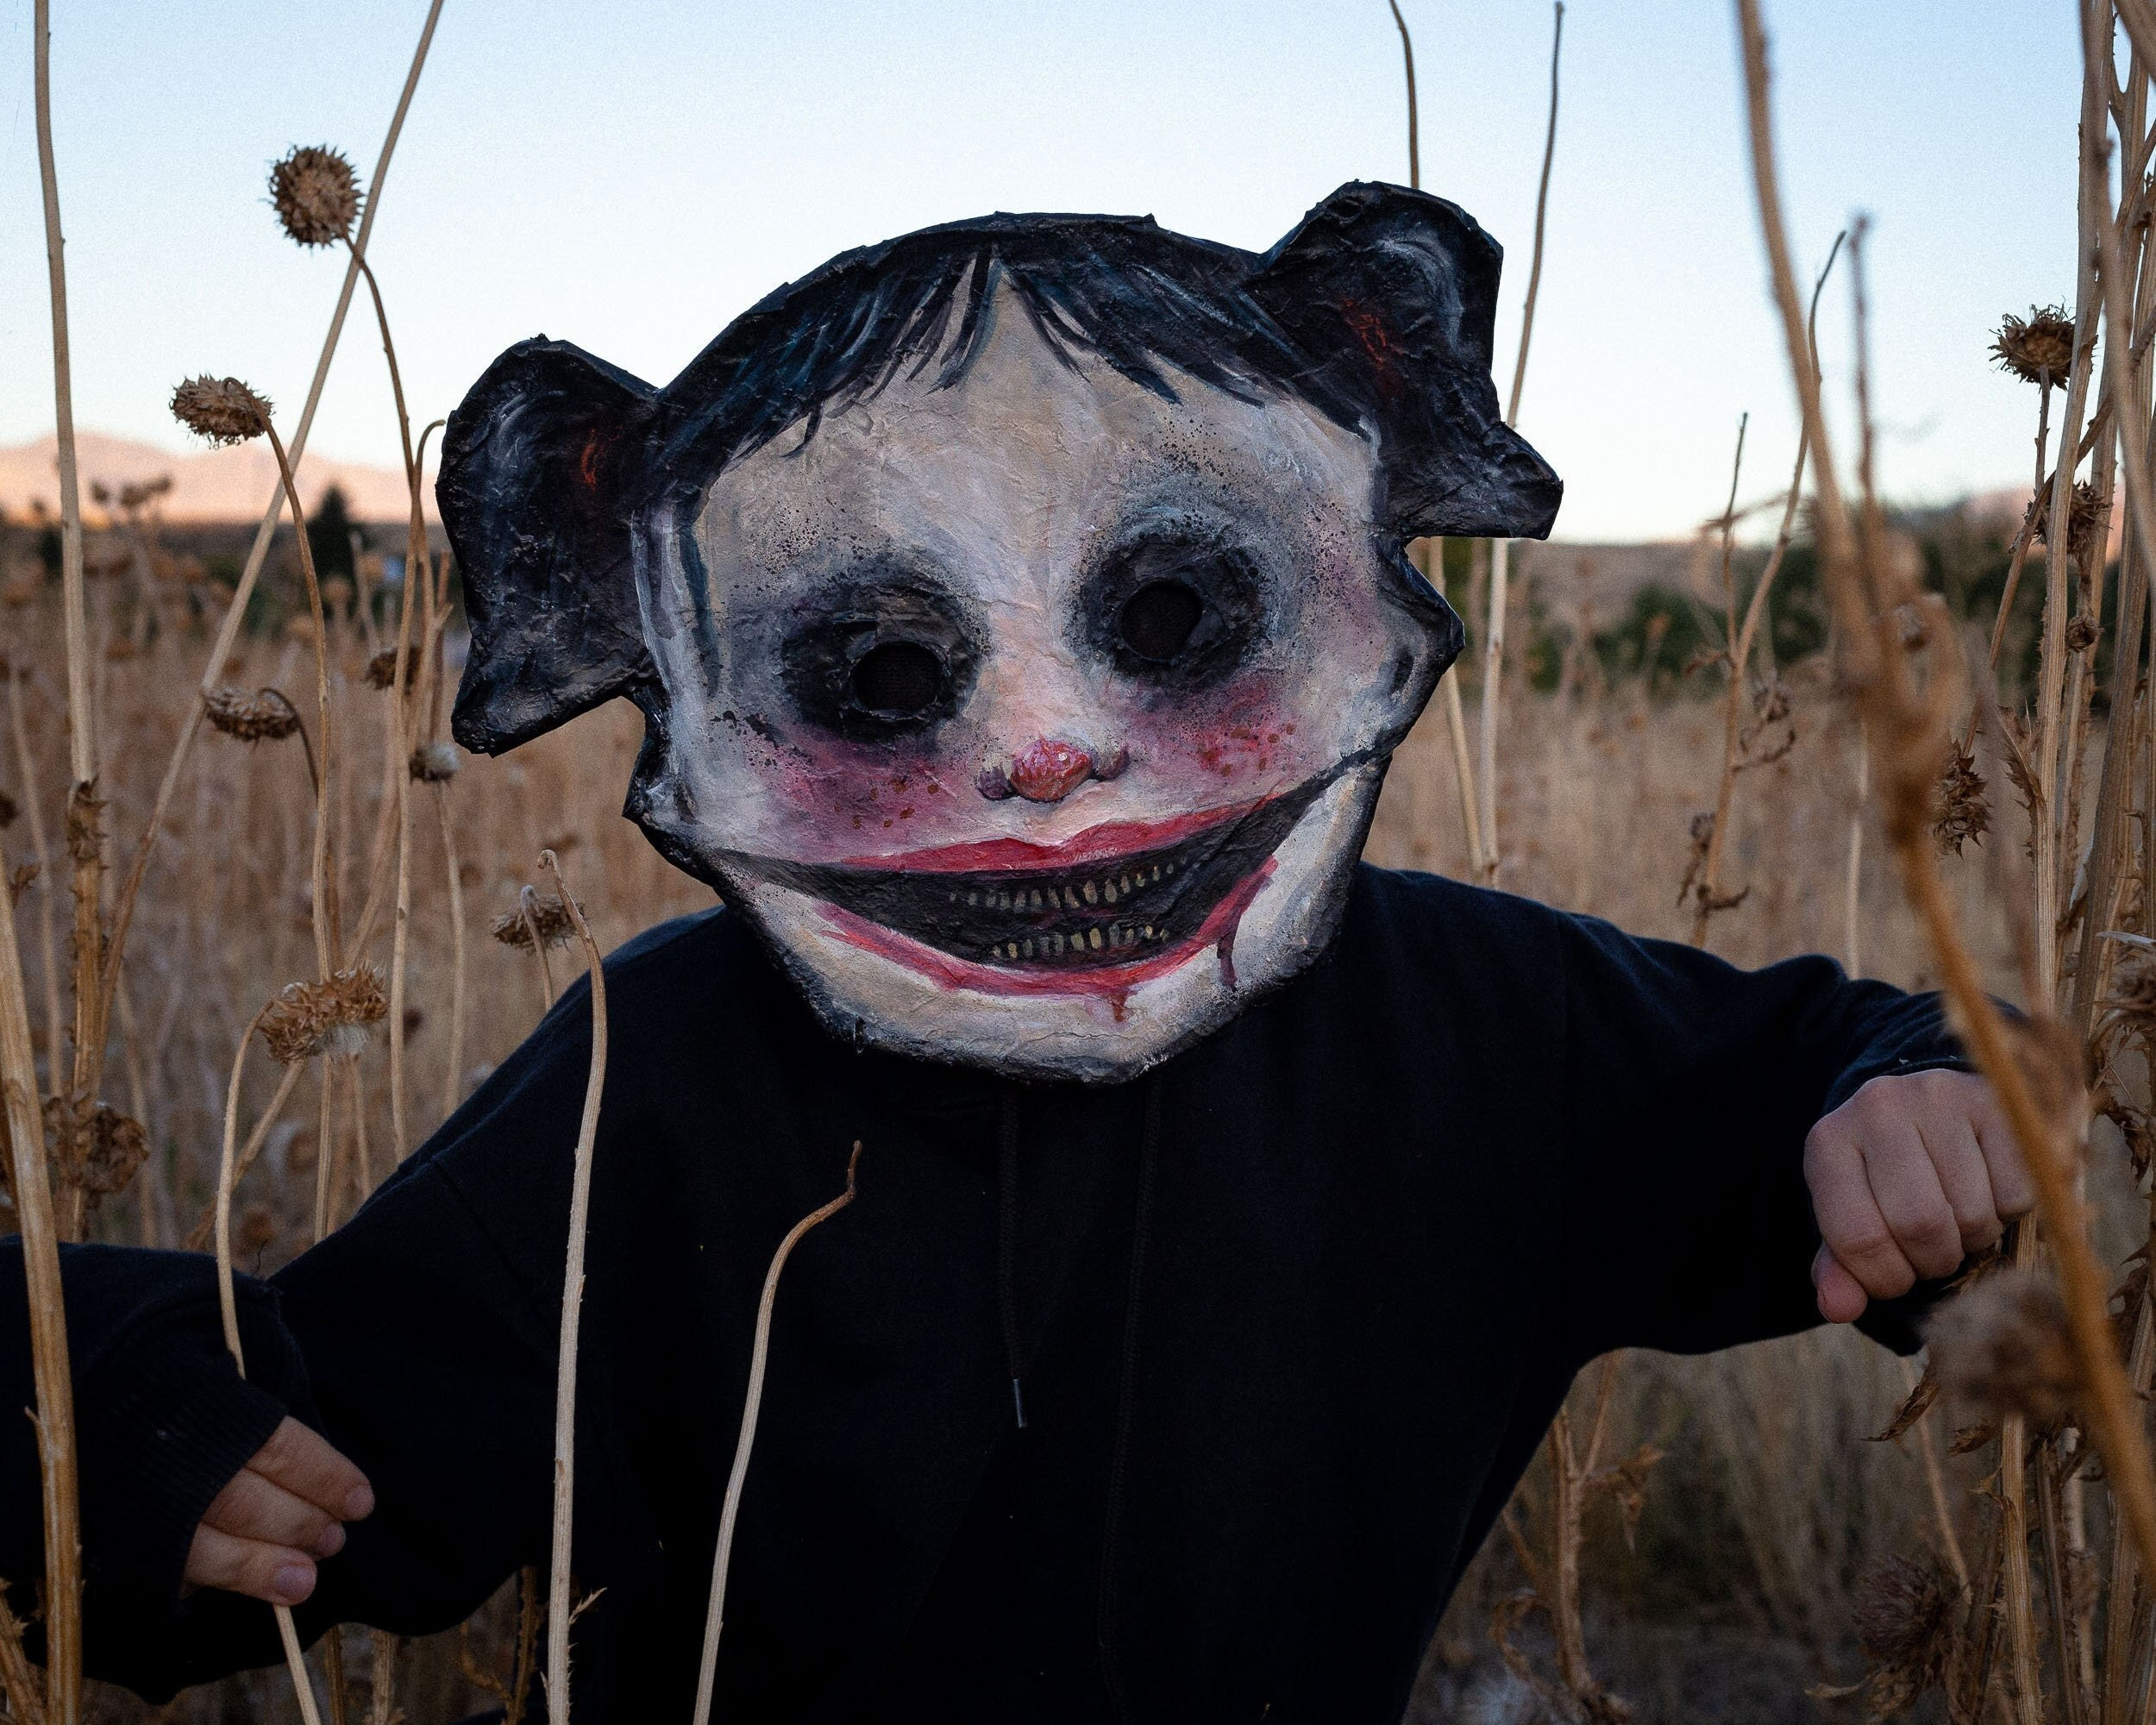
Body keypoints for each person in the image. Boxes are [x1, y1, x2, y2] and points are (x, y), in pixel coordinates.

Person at [0, 184, 2025, 1722]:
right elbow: (312, 1450)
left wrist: (1928, 1099)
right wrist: (93, 1410)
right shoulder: (668, 1071)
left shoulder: (1482, 1034)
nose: (1045, 753)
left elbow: (1864, 1068)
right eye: (878, 668)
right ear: (648, 642)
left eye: (1170, 608)